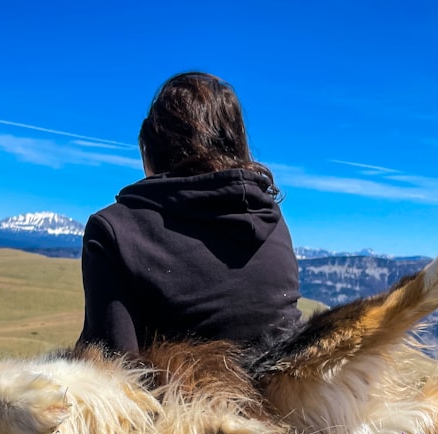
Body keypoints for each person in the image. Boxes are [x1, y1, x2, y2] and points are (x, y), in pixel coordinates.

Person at [77, 71, 303, 355]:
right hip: (286, 395)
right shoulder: (272, 221)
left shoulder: (113, 231)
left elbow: (110, 371)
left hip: (180, 398)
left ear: (152, 147)